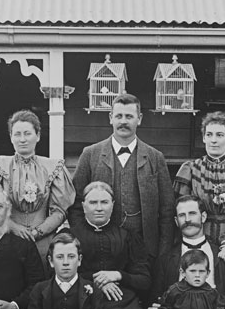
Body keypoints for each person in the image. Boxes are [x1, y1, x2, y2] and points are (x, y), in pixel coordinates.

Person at [71, 93, 174, 263]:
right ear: (110, 118)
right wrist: (85, 238)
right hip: (100, 249)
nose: (123, 121)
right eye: (119, 116)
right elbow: (75, 204)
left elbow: (167, 210)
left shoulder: (155, 158)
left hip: (145, 251)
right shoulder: (90, 154)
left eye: (129, 116)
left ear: (139, 119)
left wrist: (162, 253)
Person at [0, 109, 75, 267]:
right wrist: (13, 227)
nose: (22, 139)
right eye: (17, 134)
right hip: (6, 236)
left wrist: (38, 232)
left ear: (37, 136)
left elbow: (60, 211)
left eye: (27, 133)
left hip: (43, 241)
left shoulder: (54, 168)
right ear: (11, 137)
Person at [67, 181, 152, 309]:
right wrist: (99, 281)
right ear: (84, 206)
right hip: (81, 299)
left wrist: (118, 275)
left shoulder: (127, 236)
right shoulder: (70, 237)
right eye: (93, 202)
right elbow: (59, 274)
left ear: (112, 205)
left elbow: (144, 280)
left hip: (121, 300)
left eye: (104, 202)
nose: (99, 208)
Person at [173, 111, 225, 246]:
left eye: (219, 135)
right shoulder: (191, 169)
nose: (213, 140)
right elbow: (178, 211)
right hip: (198, 240)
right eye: (209, 135)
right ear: (203, 138)